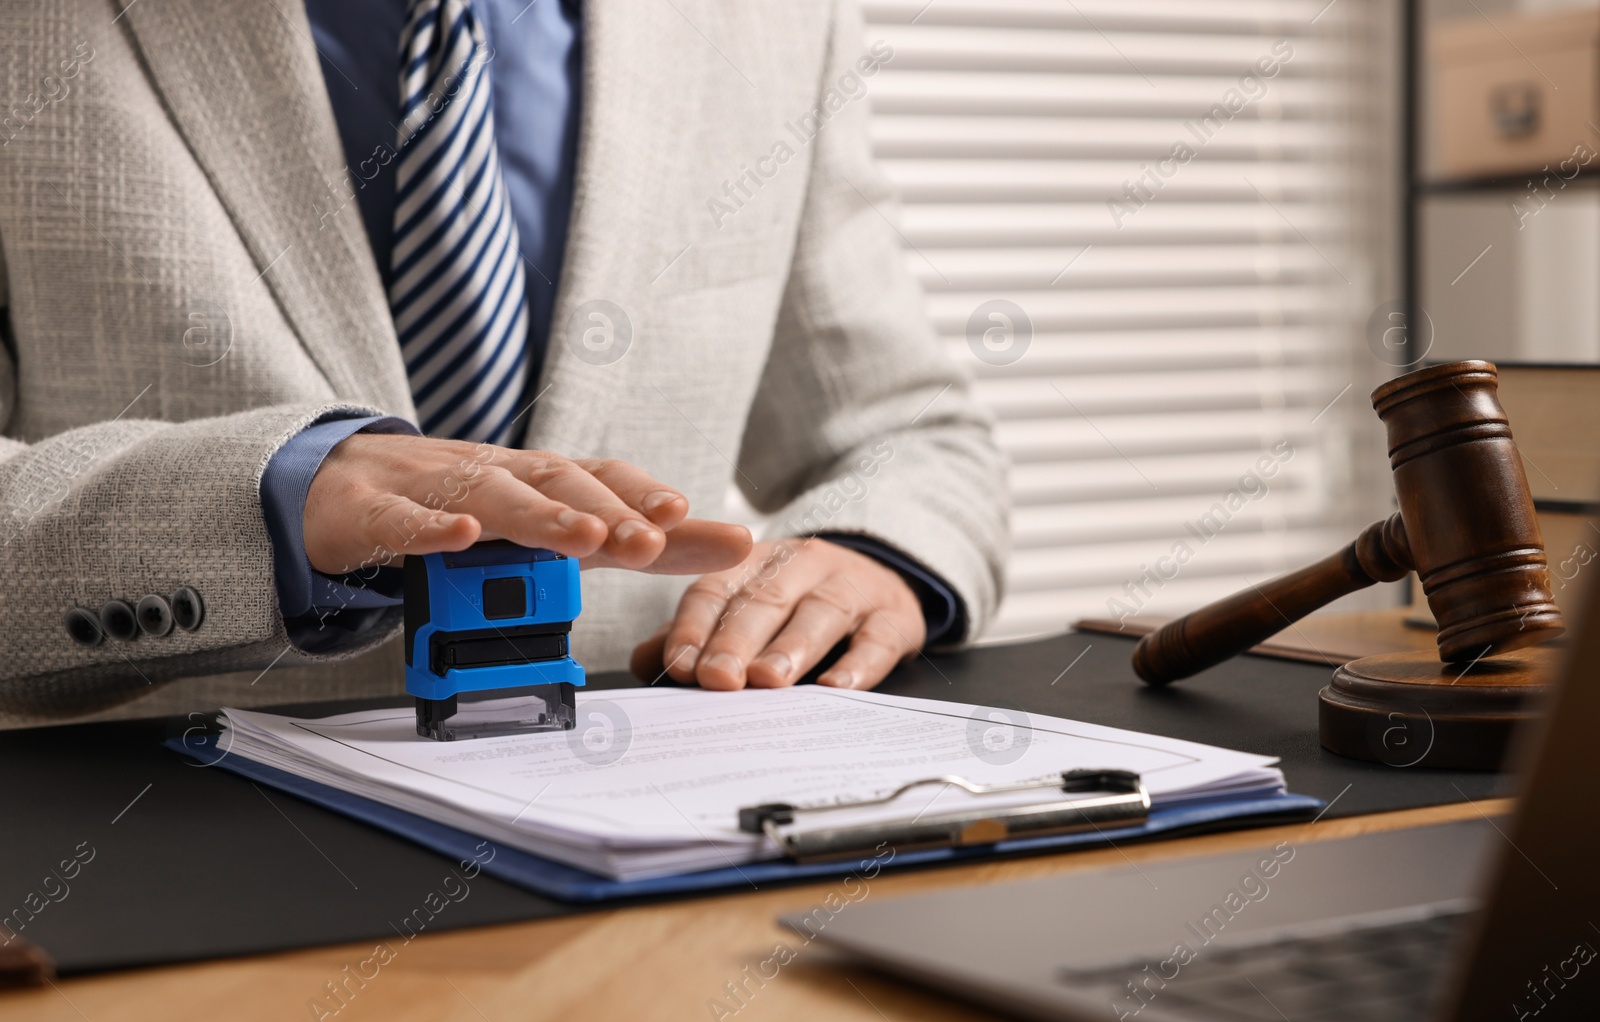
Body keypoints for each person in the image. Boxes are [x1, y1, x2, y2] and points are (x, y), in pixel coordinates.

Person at [0, 0, 1007, 723]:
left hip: (645, 868)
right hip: (165, 890)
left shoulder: (773, 22)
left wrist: (872, 552)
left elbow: (907, 434)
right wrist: (272, 499)